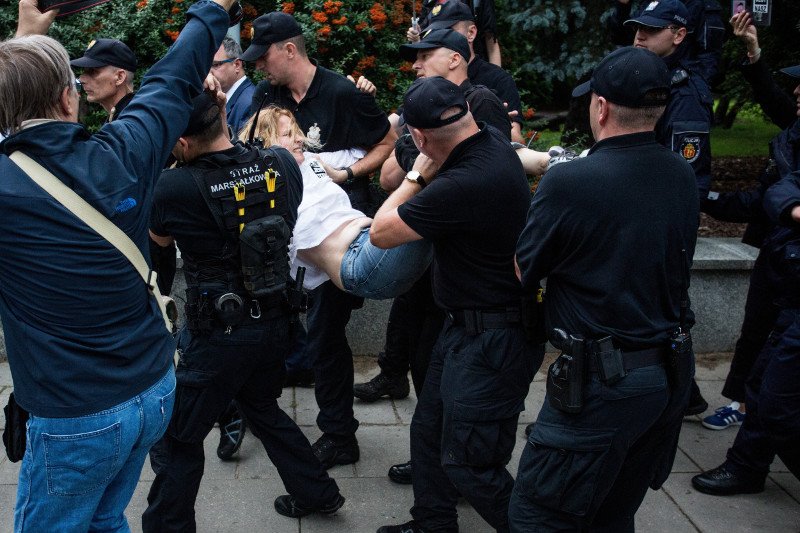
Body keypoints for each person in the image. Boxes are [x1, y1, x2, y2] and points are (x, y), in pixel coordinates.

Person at [0, 0, 235, 529]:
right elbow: (174, 76)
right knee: (106, 517)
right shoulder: (126, 152)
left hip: (75, 414)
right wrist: (215, 10)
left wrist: (21, 38)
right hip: (153, 389)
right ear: (67, 98)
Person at [510, 46, 699, 531]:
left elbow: (523, 270)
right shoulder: (680, 174)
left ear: (601, 106)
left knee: (538, 516)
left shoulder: (572, 181)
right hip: (660, 378)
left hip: (599, 386)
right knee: (613, 514)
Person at [142, 93, 345, 530]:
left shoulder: (171, 187)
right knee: (262, 409)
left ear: (180, 140)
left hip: (217, 336)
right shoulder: (281, 164)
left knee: (175, 438)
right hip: (278, 324)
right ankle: (318, 492)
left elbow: (157, 256)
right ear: (221, 119)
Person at [374, 76, 543, 533]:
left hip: (494, 340)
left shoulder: (466, 181)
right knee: (428, 432)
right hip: (467, 326)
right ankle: (433, 523)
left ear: (421, 137)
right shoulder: (487, 142)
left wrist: (417, 173)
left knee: (471, 464)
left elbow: (381, 232)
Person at [242, 10, 396, 469]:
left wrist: (346, 173)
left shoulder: (342, 93)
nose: (258, 66)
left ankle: (338, 435)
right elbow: (250, 144)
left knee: (327, 337)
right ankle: (256, 407)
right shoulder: (267, 93)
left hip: (335, 231)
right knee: (275, 328)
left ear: (290, 50)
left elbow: (387, 141)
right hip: (281, 235)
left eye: (264, 56)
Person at [689, 48, 800, 493]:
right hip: (783, 271)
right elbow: (774, 194)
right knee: (764, 377)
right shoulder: (794, 135)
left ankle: (748, 463)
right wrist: (707, 198)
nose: (796, 92)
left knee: (776, 398)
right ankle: (748, 465)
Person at [625, 0, 712, 416]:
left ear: (679, 35)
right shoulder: (649, 77)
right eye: (638, 27)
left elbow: (684, 177)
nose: (639, 35)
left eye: (651, 29)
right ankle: (684, 393)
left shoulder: (685, 92)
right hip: (640, 213)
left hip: (662, 223)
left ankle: (679, 395)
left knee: (669, 307)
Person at [70, 35, 178, 298]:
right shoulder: (124, 117)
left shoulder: (134, 122)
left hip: (148, 244)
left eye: (93, 71)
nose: (83, 79)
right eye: (83, 72)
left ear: (119, 77)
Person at [406, 0, 524, 143]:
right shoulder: (429, 81)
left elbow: (517, 143)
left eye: (448, 30)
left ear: (471, 33)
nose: (439, 37)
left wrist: (499, 119)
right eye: (434, 32)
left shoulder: (498, 80)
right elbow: (404, 133)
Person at [608, 0, 725, 85]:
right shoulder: (652, 3)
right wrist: (623, 6)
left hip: (678, 84)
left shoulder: (703, 6)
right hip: (645, 77)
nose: (641, 34)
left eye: (653, 29)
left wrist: (691, 87)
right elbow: (622, 38)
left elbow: (709, 57)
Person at [408, 0, 502, 66]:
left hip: (471, 68)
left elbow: (491, 40)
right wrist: (417, 39)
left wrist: (495, 76)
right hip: (438, 69)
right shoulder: (430, 2)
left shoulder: (476, 2)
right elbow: (425, 36)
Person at [211, 37, 255, 134]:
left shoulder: (250, 103)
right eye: (207, 66)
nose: (209, 72)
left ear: (237, 65)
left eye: (216, 64)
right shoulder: (223, 96)